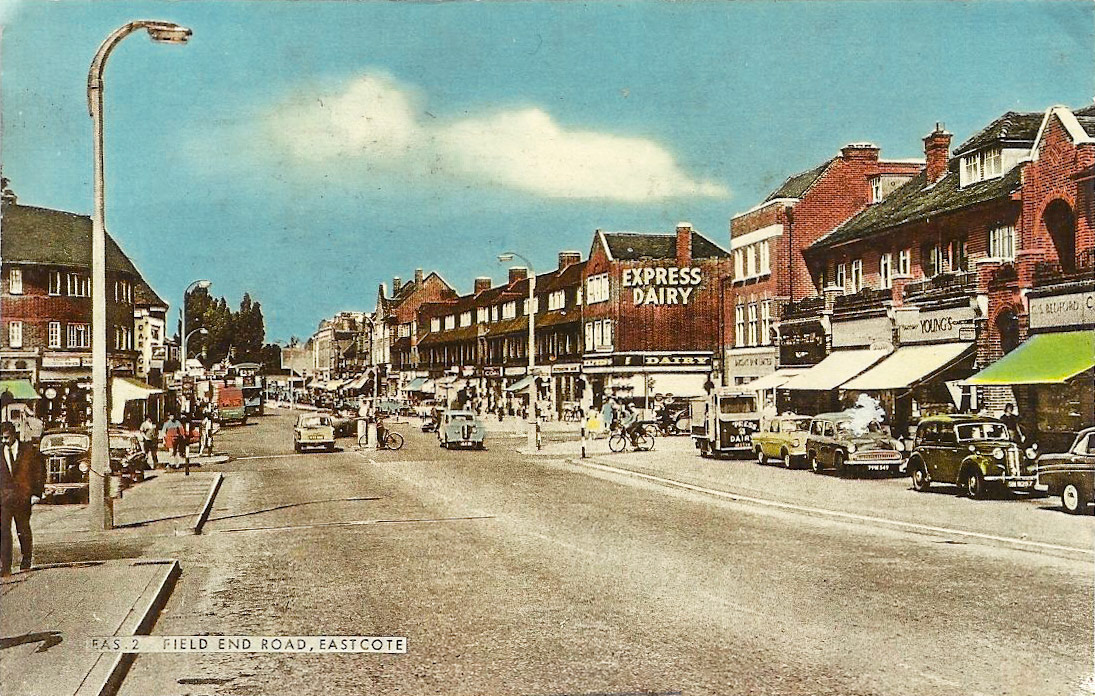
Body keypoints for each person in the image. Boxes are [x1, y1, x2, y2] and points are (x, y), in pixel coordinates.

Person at [1, 421, 45, 577]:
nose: (4, 441)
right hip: (4, 500)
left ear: (14, 435)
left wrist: (36, 493)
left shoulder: (28, 451)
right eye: (2, 438)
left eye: (7, 438)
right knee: (3, 532)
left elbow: (38, 472)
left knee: (23, 529)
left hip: (22, 497)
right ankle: (5, 567)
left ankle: (26, 560)